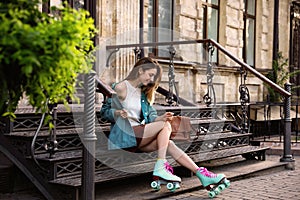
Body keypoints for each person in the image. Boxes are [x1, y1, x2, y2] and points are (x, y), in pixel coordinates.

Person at [100, 57, 228, 191]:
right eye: (150, 75)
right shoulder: (121, 87)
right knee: (165, 126)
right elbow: (105, 112)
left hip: (138, 137)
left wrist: (161, 118)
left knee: (169, 142)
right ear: (140, 71)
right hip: (124, 136)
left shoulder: (142, 93)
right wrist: (117, 113)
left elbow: (151, 116)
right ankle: (161, 166)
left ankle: (202, 175)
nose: (151, 79)